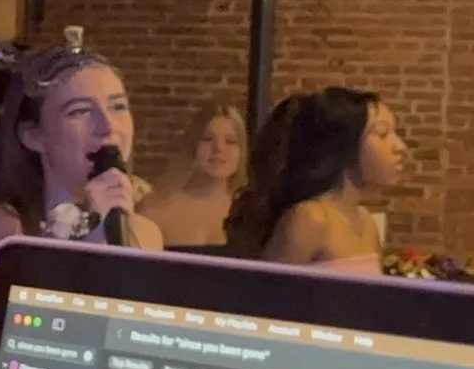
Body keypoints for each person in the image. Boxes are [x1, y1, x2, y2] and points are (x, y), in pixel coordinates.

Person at [0, 45, 163, 297]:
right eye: (80, 111)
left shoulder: (147, 234)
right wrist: (90, 235)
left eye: (118, 107)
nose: (108, 126)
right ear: (34, 136)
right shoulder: (1, 229)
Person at [226, 88, 403, 274]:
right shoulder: (310, 218)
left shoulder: (367, 224)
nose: (399, 146)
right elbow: (268, 294)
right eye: (382, 134)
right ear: (345, 143)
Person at [137, 105, 247, 249]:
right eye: (208, 139)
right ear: (193, 146)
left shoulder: (251, 211)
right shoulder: (157, 209)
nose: (218, 148)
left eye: (230, 141)